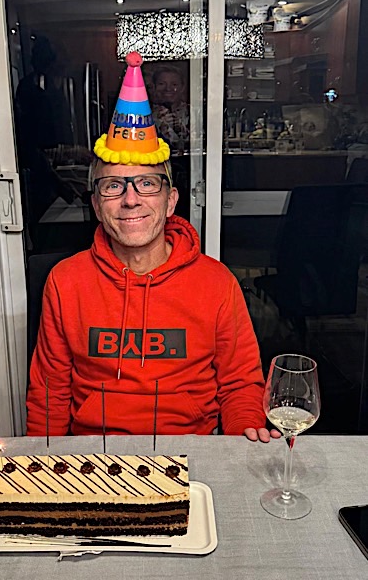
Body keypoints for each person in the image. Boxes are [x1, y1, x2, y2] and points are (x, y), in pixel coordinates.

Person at [27, 51, 280, 442]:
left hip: (192, 450)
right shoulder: (66, 281)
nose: (131, 200)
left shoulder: (216, 282)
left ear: (171, 200)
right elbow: (50, 393)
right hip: (94, 451)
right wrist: (42, 462)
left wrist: (244, 443)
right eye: (113, 186)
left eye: (147, 184)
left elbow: (240, 384)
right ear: (96, 204)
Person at [151, 65, 190, 153]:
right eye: (162, 84)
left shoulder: (195, 112)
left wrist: (179, 127)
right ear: (154, 87)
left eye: (174, 84)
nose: (168, 89)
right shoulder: (145, 114)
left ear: (182, 87)